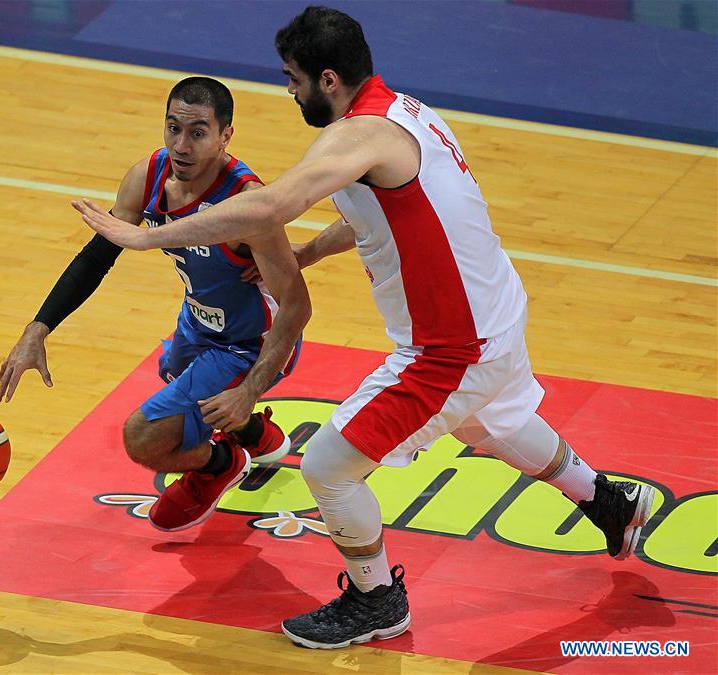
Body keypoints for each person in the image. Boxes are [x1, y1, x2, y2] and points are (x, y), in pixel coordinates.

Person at [73, 7, 656, 650]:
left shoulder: (357, 136)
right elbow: (376, 217)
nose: (289, 92)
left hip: (452, 346)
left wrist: (139, 237)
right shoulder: (408, 113)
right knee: (497, 423)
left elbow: (268, 205)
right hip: (497, 312)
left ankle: (378, 601)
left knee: (327, 465)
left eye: (293, 79)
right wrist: (312, 253)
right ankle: (609, 504)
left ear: (328, 79)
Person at [0, 76, 311, 533]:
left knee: (144, 438)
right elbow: (97, 256)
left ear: (226, 135)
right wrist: (37, 329)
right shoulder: (149, 174)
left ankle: (220, 463)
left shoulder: (247, 205)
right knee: (175, 378)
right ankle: (254, 434)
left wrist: (248, 389)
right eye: (173, 128)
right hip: (198, 322)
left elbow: (297, 308)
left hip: (250, 342)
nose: (181, 146)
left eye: (198, 133)